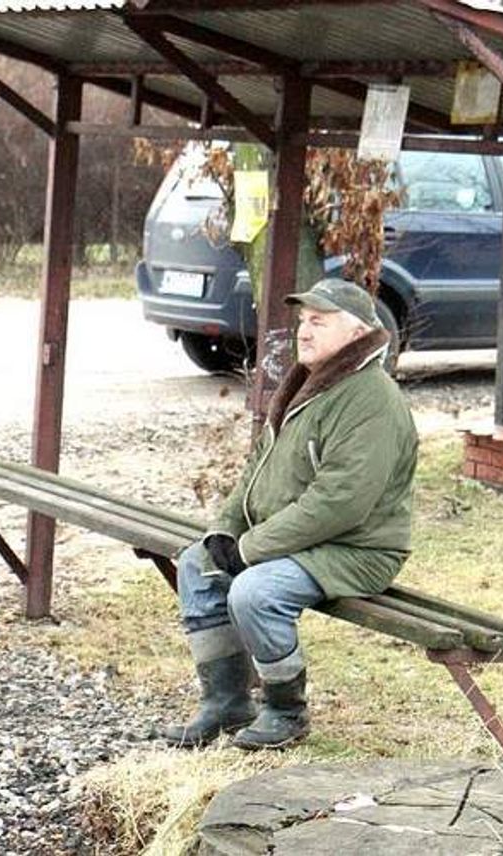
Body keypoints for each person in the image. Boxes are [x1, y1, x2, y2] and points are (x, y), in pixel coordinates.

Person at [162, 277, 418, 751]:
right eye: (303, 320)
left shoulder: (371, 399)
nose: (304, 330)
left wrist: (251, 549)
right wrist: (224, 532)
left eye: (319, 321)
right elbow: (255, 471)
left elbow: (341, 503)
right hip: (306, 541)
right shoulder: (309, 384)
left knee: (254, 591)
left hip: (358, 549)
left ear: (358, 333)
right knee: (198, 563)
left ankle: (286, 711)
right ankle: (226, 703)